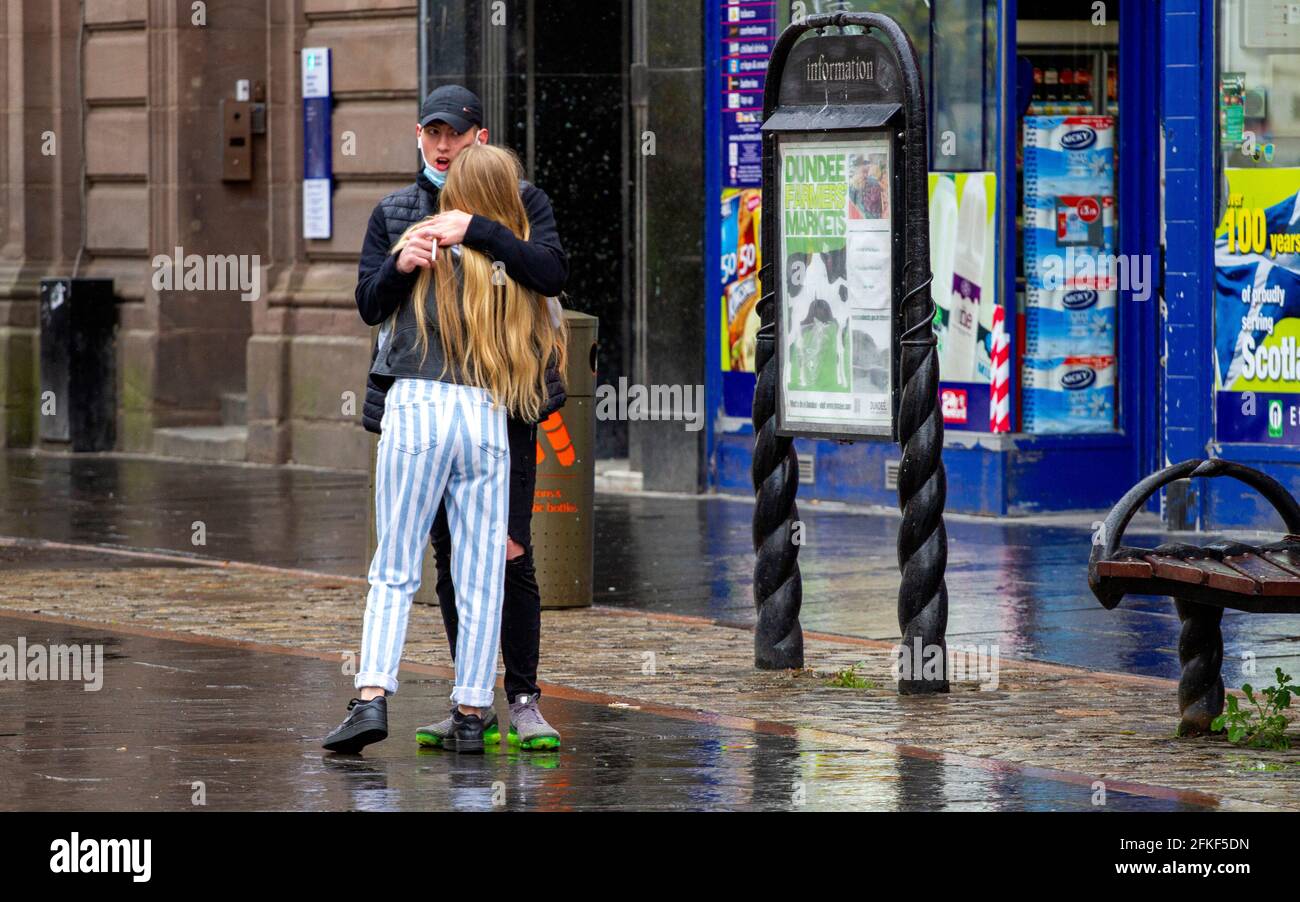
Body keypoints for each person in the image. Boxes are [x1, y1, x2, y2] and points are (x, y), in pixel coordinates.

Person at [324, 86, 567, 755]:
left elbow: (550, 270)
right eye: (430, 132)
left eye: (452, 134)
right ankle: (469, 707)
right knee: (454, 559)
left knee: (505, 555)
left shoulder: (521, 204)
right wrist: (403, 265)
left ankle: (518, 698)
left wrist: (477, 230)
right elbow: (370, 304)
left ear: (478, 140)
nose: (440, 144)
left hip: (503, 405)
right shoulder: (397, 212)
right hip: (449, 403)